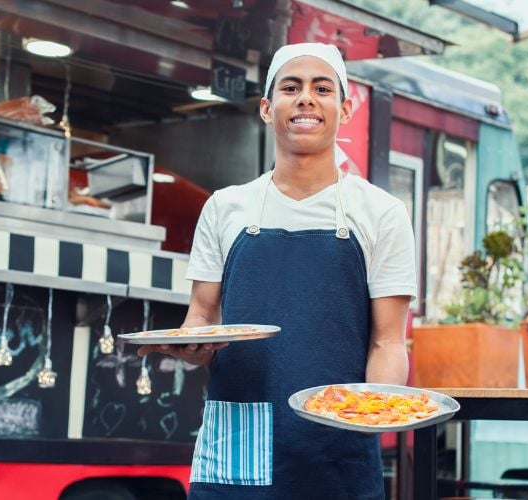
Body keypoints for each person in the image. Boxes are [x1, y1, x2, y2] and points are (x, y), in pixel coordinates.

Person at [137, 43, 417, 499]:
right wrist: (191, 346)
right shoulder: (225, 208)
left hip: (338, 446)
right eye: (291, 87)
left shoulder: (381, 212)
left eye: (322, 88)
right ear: (268, 109)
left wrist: (366, 415)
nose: (306, 98)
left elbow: (388, 342)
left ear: (344, 109)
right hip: (237, 441)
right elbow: (202, 318)